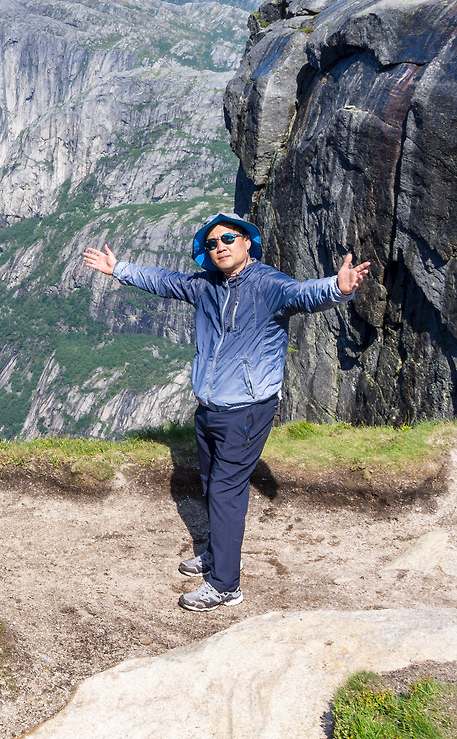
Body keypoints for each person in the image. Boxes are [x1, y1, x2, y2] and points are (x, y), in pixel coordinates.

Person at [82, 212, 370, 612]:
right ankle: (218, 554)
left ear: (247, 242)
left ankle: (225, 585)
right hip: (210, 406)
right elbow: (165, 281)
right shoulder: (206, 286)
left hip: (248, 409)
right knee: (211, 482)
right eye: (213, 243)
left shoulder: (269, 285)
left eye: (228, 239)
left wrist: (337, 289)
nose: (220, 247)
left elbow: (303, 295)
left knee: (225, 490)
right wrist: (119, 270)